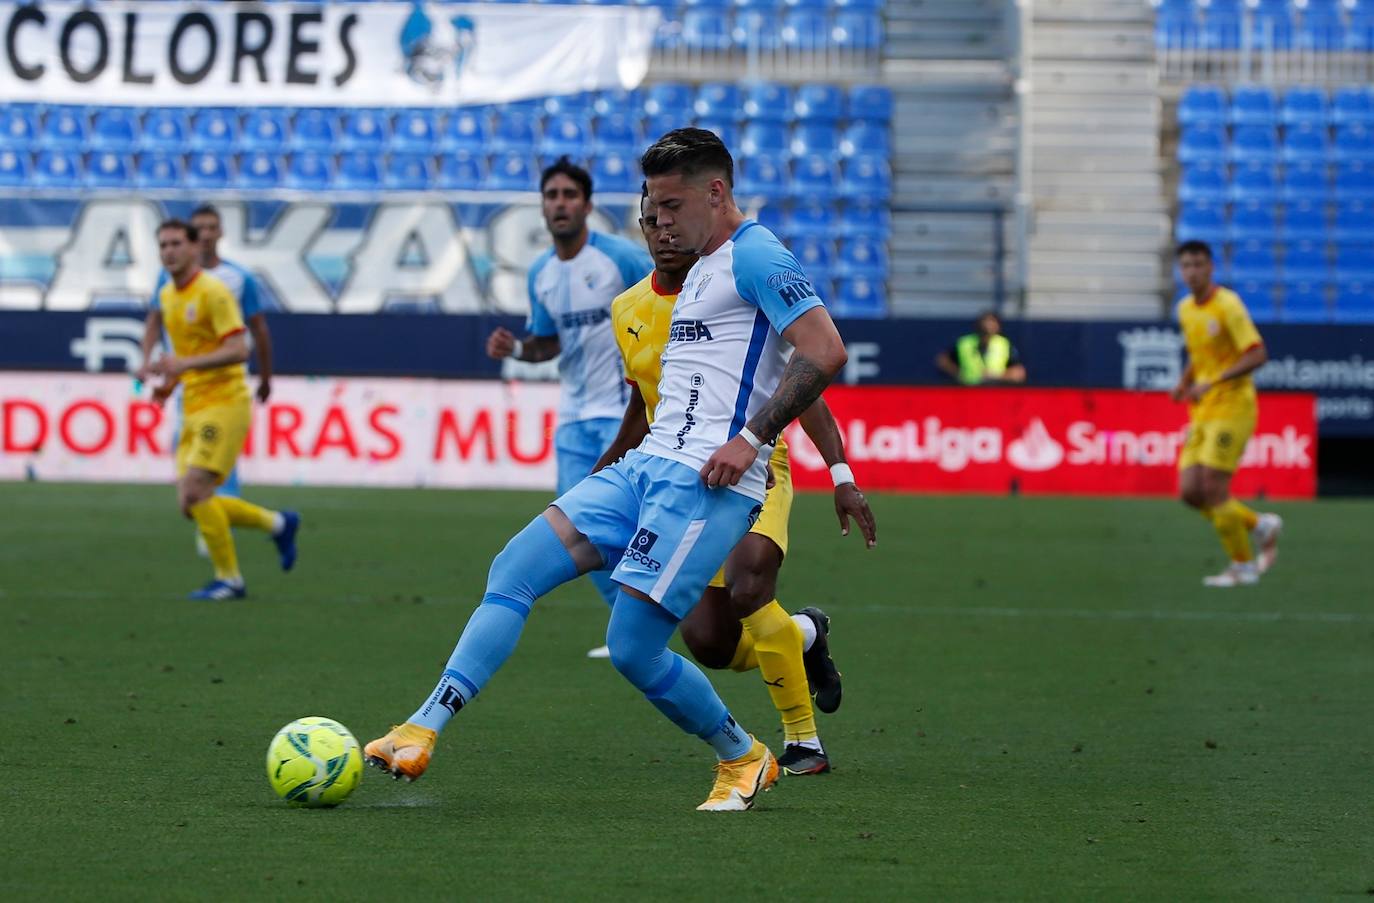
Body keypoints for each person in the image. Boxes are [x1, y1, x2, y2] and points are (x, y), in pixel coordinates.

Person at [366, 129, 849, 811]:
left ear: (716, 192)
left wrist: (754, 439)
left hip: (708, 486)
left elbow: (825, 350)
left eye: (671, 205)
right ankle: (421, 728)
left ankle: (743, 755)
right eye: (652, 207)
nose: (659, 221)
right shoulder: (700, 265)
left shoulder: (757, 255)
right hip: (648, 464)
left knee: (631, 647)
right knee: (514, 567)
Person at [591, 187, 877, 776]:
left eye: (671, 217)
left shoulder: (735, 285)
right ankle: (804, 635)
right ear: (641, 230)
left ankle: (802, 741)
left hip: (754, 464)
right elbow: (645, 405)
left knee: (750, 587)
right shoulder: (628, 310)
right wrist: (605, 473)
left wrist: (841, 473)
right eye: (651, 222)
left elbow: (806, 378)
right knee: (710, 643)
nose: (663, 230)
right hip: (677, 478)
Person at [484, 157, 653, 658]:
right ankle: (631, 625)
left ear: (587, 204)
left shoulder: (620, 258)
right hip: (574, 419)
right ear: (543, 207)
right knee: (579, 529)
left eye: (568, 195)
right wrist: (515, 349)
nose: (559, 204)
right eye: (551, 196)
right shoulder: (541, 274)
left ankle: (647, 625)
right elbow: (546, 343)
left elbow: (669, 301)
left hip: (623, 415)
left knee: (623, 525)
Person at [136, 220, 300, 601]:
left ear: (194, 249)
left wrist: (183, 367)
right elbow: (188, 355)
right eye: (163, 245)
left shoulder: (214, 292)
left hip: (224, 402)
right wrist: (169, 384)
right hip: (191, 403)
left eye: (176, 243)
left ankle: (230, 580)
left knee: (196, 490)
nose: (169, 251)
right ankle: (279, 524)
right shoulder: (168, 296)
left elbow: (239, 349)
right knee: (190, 504)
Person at [1170, 240, 1282, 587]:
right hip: (1202, 409)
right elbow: (1198, 351)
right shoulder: (1186, 308)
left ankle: (1243, 565)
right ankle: (1258, 524)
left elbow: (1257, 354)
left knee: (1212, 487)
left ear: (1211, 268)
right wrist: (1185, 380)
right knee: (1189, 492)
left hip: (1233, 404)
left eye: (1198, 265)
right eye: (1186, 265)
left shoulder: (1228, 305)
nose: (1192, 272)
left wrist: (1214, 381)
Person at [935, 311, 1027, 385]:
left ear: (998, 327)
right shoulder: (965, 343)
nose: (988, 325)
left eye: (992, 322)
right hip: (968, 393)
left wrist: (997, 376)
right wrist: (959, 374)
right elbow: (942, 360)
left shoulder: (1004, 344)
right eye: (985, 322)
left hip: (996, 393)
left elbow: (1019, 373)